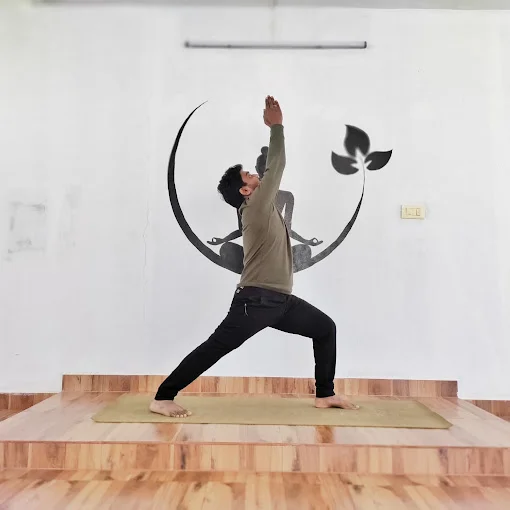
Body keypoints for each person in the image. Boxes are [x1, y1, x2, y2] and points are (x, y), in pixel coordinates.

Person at [150, 96, 358, 418]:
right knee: (216, 347)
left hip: (281, 302)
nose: (253, 173)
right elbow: (277, 166)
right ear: (245, 191)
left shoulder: (263, 207)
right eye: (247, 174)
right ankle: (163, 397)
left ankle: (325, 394)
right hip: (256, 301)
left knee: (324, 328)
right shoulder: (256, 205)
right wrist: (276, 127)